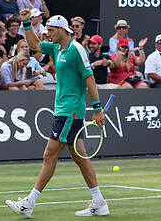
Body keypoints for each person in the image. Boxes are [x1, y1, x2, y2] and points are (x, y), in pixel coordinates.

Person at [6, 11, 109, 218]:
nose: (48, 34)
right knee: (80, 157)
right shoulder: (56, 48)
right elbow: (34, 45)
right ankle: (99, 202)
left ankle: (29, 203)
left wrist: (97, 108)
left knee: (49, 155)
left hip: (70, 112)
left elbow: (90, 80)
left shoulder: (77, 50)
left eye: (51, 31)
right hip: (64, 110)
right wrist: (26, 22)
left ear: (62, 30)